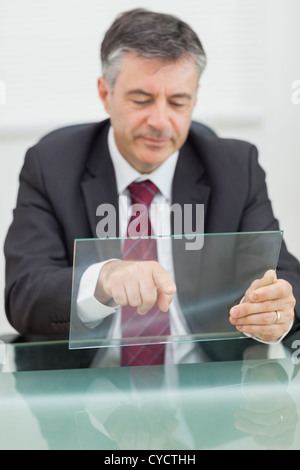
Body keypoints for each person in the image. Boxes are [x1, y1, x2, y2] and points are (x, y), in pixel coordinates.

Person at [4, 9, 300, 353]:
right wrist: (103, 281)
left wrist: (275, 310)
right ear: (105, 93)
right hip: (87, 391)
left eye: (178, 101)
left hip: (207, 382)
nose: (160, 121)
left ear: (195, 98)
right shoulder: (51, 166)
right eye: (141, 100)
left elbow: (281, 276)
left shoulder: (235, 168)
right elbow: (24, 295)